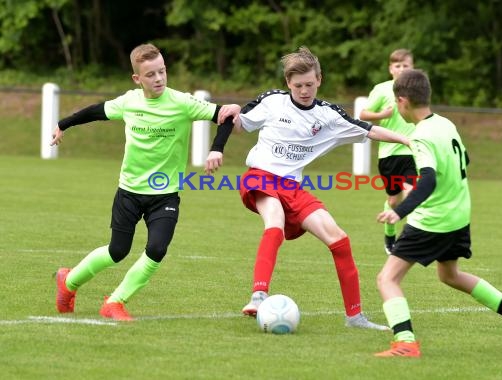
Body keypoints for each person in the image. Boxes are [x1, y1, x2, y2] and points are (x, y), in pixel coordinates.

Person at [51, 43, 240, 321]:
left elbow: (226, 117)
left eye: (162, 71)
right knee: (117, 251)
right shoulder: (129, 101)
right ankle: (68, 282)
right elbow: (95, 111)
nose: (159, 78)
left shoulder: (182, 102)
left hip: (165, 194)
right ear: (137, 79)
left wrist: (217, 148)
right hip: (129, 191)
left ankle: (114, 302)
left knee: (157, 249)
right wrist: (62, 124)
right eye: (151, 74)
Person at [231, 46, 410, 330]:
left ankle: (355, 317)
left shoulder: (328, 115)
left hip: (293, 187)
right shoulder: (273, 102)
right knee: (274, 220)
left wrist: (407, 140)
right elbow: (238, 122)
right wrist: (226, 118)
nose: (304, 91)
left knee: (340, 240)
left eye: (309, 85)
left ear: (319, 80)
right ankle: (258, 295)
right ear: (288, 84)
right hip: (261, 176)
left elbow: (368, 129)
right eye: (298, 85)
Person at [374, 69, 502, 357]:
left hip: (433, 220)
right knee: (450, 275)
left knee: (387, 279)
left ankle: (405, 343)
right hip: (459, 215)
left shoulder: (421, 136)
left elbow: (427, 179)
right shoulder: (445, 124)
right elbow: (466, 158)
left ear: (402, 102)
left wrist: (399, 211)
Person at [359, 49, 416, 255]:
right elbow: (363, 114)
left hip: (413, 150)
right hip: (389, 155)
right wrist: (382, 114)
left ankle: (410, 240)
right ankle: (389, 235)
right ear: (391, 69)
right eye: (398, 66)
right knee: (394, 200)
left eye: (406, 65)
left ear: (412, 68)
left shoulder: (416, 90)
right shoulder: (382, 90)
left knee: (412, 193)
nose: (401, 69)